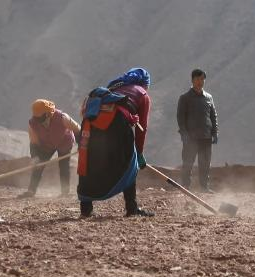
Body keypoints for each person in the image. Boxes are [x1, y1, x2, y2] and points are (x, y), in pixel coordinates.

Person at [77, 68, 154, 217]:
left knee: (89, 160)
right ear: (144, 83)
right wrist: (138, 152)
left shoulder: (114, 87)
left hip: (89, 124)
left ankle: (85, 209)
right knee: (129, 164)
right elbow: (142, 128)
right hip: (117, 124)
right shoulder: (142, 94)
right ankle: (131, 208)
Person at [18, 99, 81, 199]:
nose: (39, 121)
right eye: (36, 118)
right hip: (46, 145)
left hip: (64, 142)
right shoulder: (33, 124)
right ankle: (31, 191)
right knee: (38, 166)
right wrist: (35, 157)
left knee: (64, 166)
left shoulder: (62, 117)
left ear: (47, 114)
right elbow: (34, 143)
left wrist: (81, 145)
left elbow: (77, 129)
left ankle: (65, 192)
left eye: (40, 118)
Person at [177, 69, 219, 194]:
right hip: (191, 137)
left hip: (206, 136)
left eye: (202, 79)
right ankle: (185, 187)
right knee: (188, 163)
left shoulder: (209, 97)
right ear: (192, 80)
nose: (200, 82)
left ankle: (204, 187)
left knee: (205, 163)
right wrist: (184, 133)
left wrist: (215, 132)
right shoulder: (185, 98)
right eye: (198, 79)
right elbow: (180, 117)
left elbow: (213, 116)